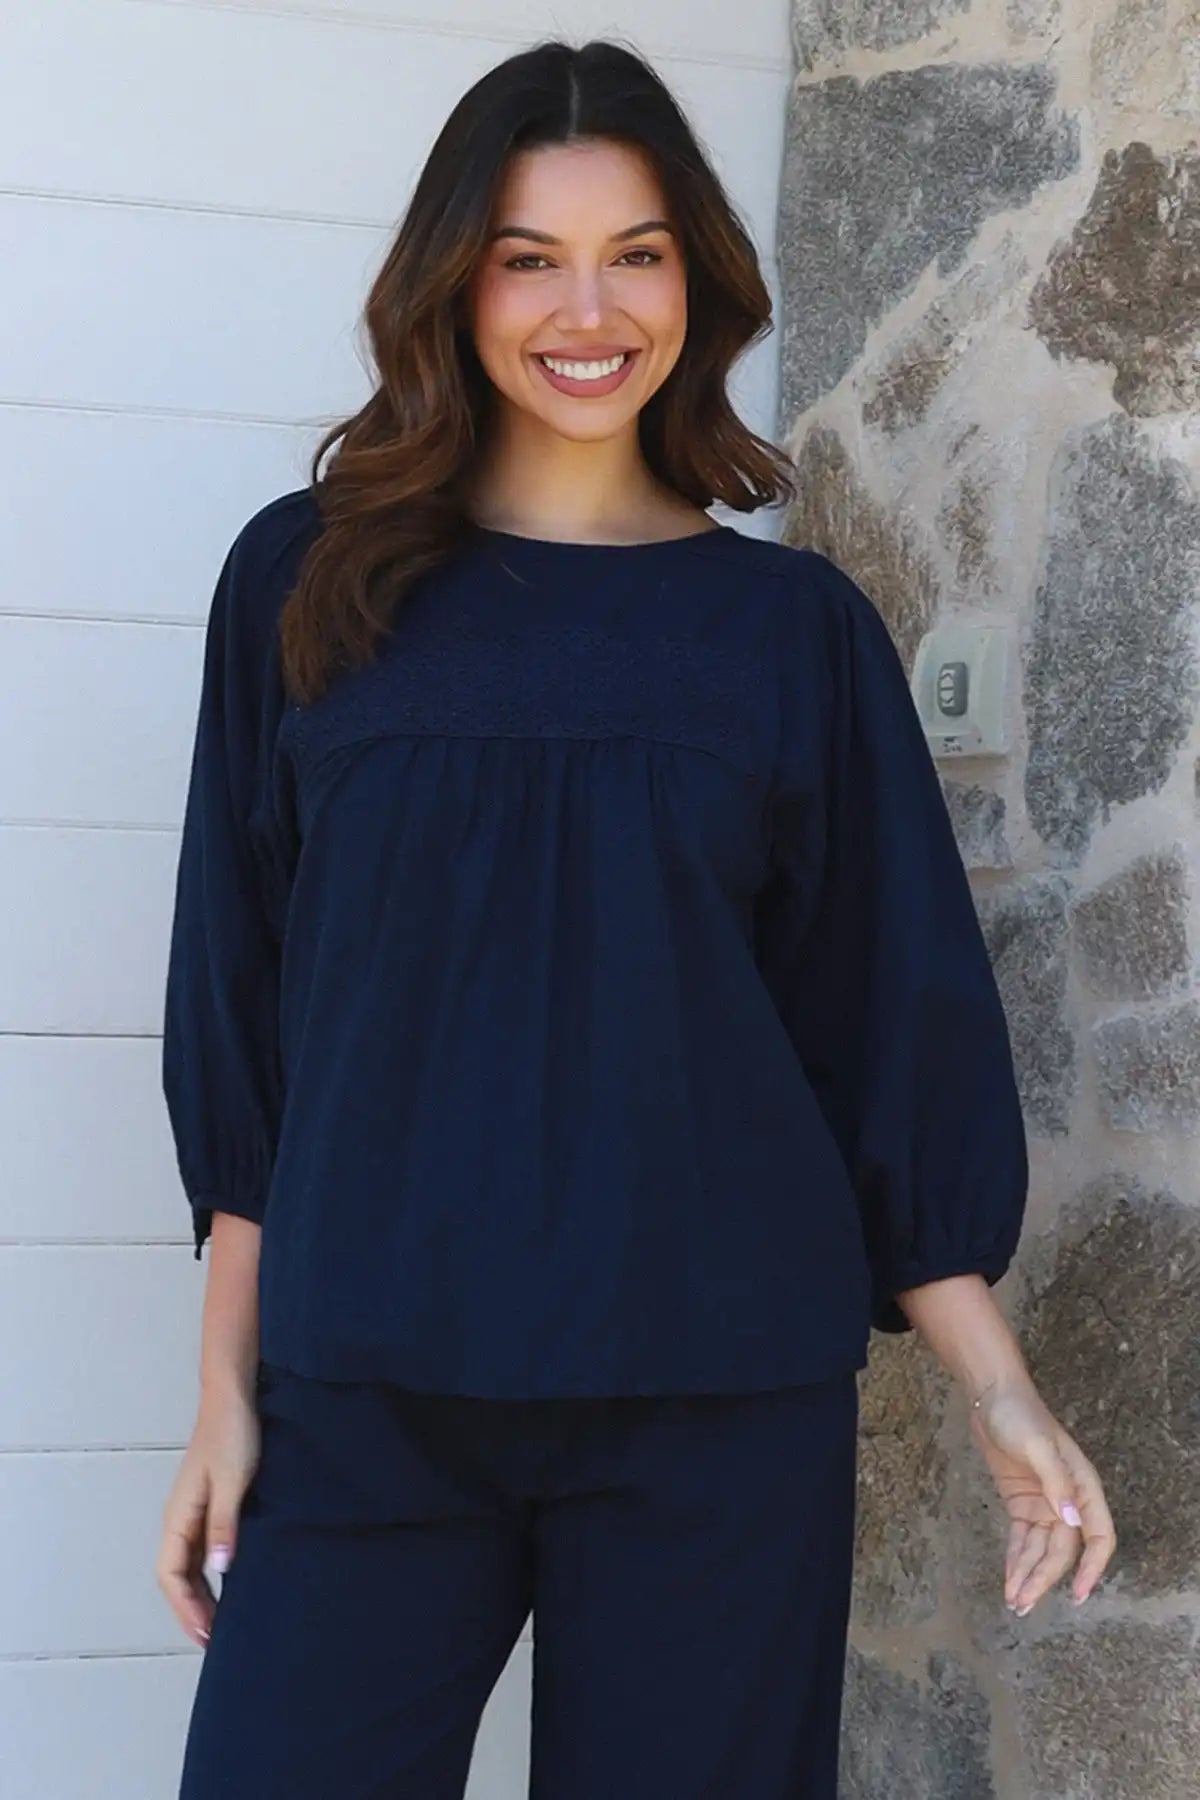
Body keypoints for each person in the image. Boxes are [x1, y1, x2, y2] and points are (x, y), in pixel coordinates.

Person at [155, 37, 1116, 1799]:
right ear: (454, 283)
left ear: (699, 280)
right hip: (369, 1387)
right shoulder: (305, 587)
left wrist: (999, 1389)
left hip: (713, 1399)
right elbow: (249, 1008)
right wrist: (227, 1389)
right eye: (529, 256)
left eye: (637, 251)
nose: (585, 308)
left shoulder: (791, 639)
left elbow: (877, 1025)